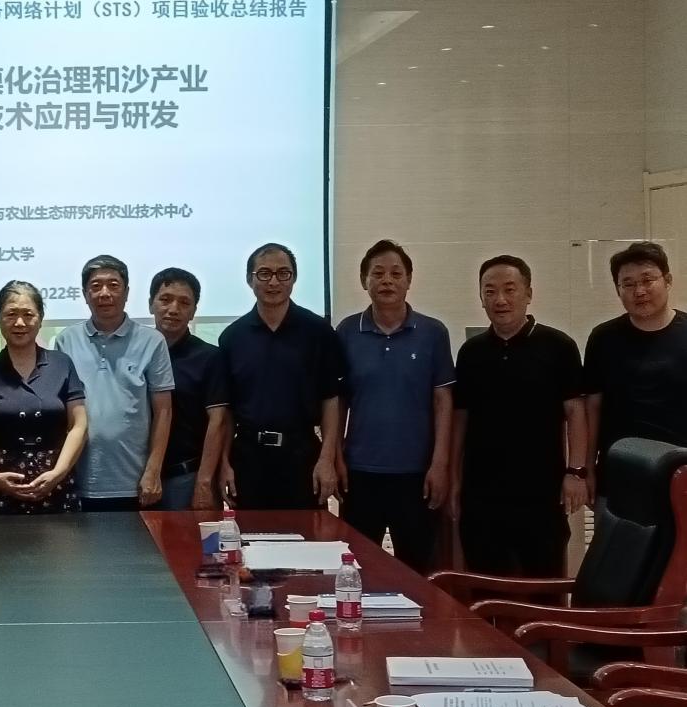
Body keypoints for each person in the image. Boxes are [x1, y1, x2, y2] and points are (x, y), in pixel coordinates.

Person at [453, 255, 587, 576]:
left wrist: (576, 472)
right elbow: (460, 420)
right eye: (490, 291)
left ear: (528, 293)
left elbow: (575, 412)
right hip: (481, 496)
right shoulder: (471, 353)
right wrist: (454, 479)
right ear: (481, 298)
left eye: (510, 289)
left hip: (541, 493)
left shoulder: (559, 346)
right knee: (485, 585)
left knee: (543, 586)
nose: (500, 299)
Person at [335, 240, 454, 573]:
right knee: (357, 570)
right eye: (378, 273)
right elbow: (339, 401)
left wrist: (440, 464)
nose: (386, 280)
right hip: (360, 473)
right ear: (364, 281)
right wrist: (336, 456)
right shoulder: (347, 332)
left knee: (418, 571)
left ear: (409, 280)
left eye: (396, 273)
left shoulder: (433, 333)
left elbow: (443, 401)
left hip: (417, 474)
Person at [219, 243, 344, 509]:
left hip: (302, 457)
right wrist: (224, 463)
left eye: (283, 273)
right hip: (248, 458)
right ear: (250, 279)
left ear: (294, 278)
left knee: (306, 533)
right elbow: (226, 411)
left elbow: (330, 400)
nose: (274, 282)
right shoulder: (232, 337)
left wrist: (327, 460)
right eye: (264, 273)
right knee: (250, 533)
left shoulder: (318, 332)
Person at [53, 255, 173, 512]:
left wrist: (153, 471)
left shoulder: (152, 341)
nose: (104, 293)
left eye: (113, 285)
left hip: (135, 481)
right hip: (79, 478)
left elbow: (164, 411)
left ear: (127, 292)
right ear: (85, 294)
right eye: (96, 286)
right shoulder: (66, 340)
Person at [0, 282, 88, 514]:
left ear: (40, 318)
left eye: (28, 315)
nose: (19, 323)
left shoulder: (61, 363)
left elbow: (78, 425)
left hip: (56, 485)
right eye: (11, 314)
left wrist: (58, 473)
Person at [584, 241, 687, 497]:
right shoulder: (603, 338)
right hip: (619, 471)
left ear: (667, 280)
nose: (639, 291)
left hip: (681, 473)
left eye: (648, 280)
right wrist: (587, 468)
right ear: (618, 290)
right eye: (628, 284)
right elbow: (593, 408)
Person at [148, 268, 229, 511]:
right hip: (137, 476)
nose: (173, 309)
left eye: (184, 303)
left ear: (193, 311)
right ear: (151, 304)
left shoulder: (210, 357)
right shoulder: (137, 353)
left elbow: (218, 422)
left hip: (186, 478)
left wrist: (204, 482)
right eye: (165, 300)